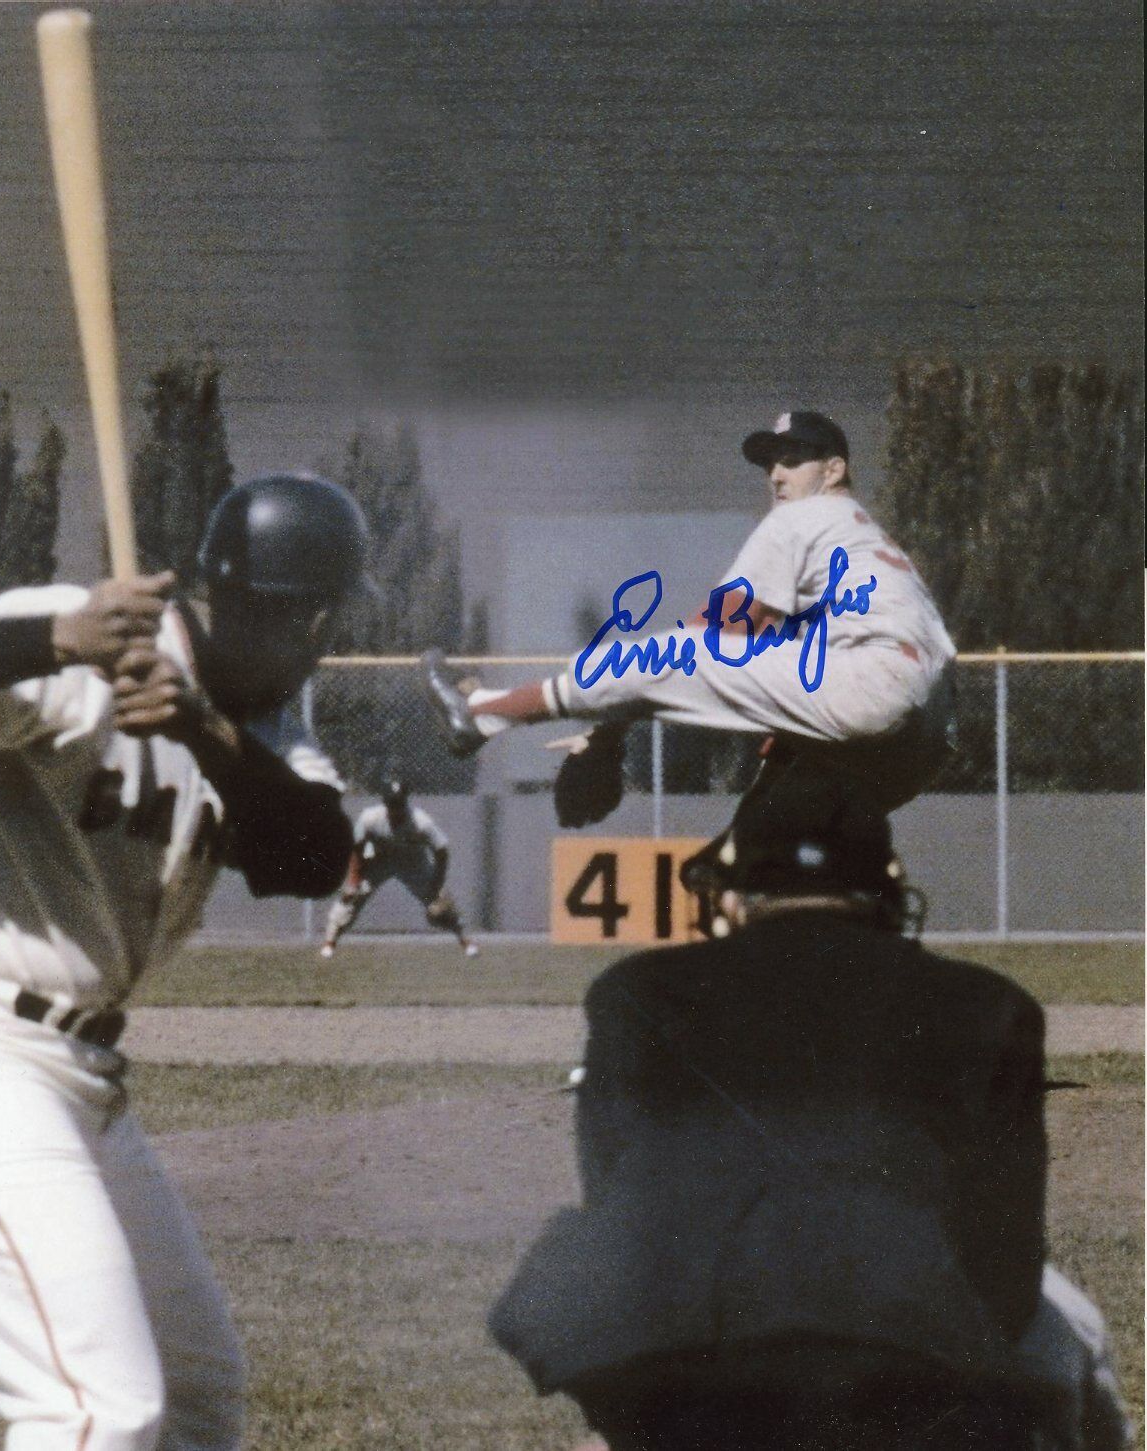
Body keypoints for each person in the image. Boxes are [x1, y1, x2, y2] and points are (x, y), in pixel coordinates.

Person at [489, 770, 1129, 1451]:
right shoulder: (989, 1003)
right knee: (1073, 1343)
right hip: (899, 1368)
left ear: (738, 891)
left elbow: (617, 1205)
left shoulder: (630, 993)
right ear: (883, 880)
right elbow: (1007, 1261)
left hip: (681, 1370)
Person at [0, 471, 366, 1451]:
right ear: (246, 605)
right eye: (306, 615)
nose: (318, 638)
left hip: (81, 1072)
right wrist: (59, 641)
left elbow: (306, 851)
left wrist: (193, 724)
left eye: (326, 617)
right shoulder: (83, 630)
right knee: (95, 1407)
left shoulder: (259, 721)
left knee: (193, 1393)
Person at [424, 410, 957, 822]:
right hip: (926, 734)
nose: (776, 474)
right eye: (769, 462)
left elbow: (713, 637)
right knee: (763, 841)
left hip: (874, 688)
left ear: (835, 468)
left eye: (793, 458)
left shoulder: (804, 518)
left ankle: (486, 713)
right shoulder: (868, 539)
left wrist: (605, 735)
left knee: (674, 651)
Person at [320, 779, 479, 959]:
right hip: (380, 859)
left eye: (399, 804)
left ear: (406, 802)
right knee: (352, 895)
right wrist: (354, 880)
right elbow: (357, 848)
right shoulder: (370, 818)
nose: (395, 809)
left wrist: (437, 883)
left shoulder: (421, 822)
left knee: (439, 903)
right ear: (385, 803)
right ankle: (329, 942)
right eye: (391, 804)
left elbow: (441, 851)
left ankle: (466, 941)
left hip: (413, 862)